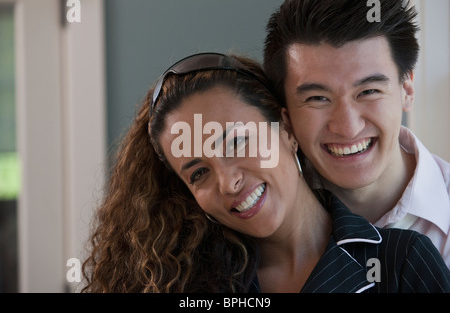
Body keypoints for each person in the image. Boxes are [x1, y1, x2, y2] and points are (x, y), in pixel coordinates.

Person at [82, 52, 450, 293]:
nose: (227, 182)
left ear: (286, 129)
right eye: (198, 173)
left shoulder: (401, 263)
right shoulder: (185, 286)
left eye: (236, 143)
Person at [263, 0, 450, 268]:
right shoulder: (257, 221)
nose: (348, 128)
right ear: (287, 117)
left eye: (369, 91)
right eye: (318, 98)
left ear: (406, 90)